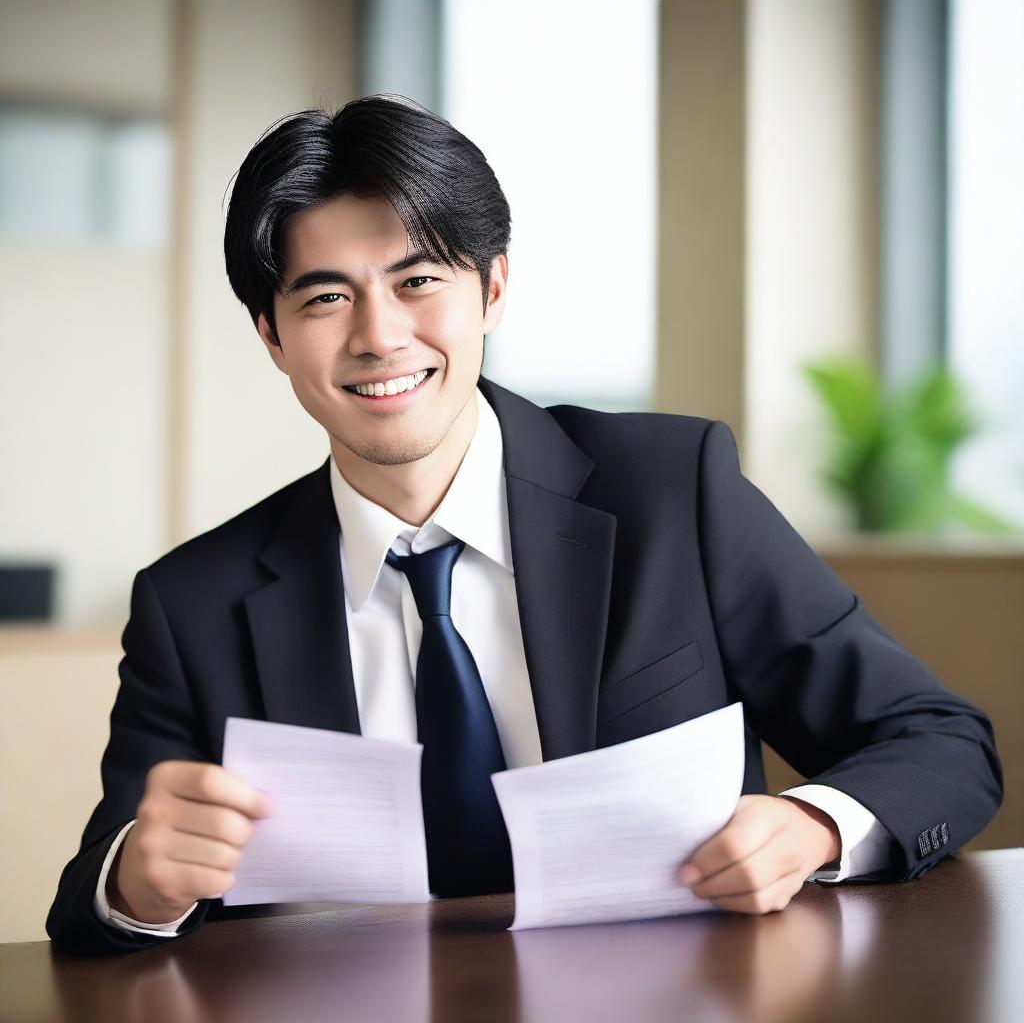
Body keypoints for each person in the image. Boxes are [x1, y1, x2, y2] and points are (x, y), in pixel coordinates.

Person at [46, 94, 1003, 954]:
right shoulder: (193, 602)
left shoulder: (674, 492)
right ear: (272, 335)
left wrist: (814, 828)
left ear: (493, 289)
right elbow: (97, 905)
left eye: (418, 282)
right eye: (326, 297)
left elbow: (938, 741)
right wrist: (141, 877)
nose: (379, 335)